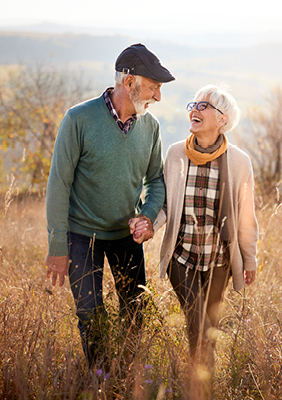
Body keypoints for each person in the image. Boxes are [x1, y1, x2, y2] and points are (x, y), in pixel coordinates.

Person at [45, 43, 175, 370]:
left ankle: (127, 375)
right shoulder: (79, 119)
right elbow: (59, 184)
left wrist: (147, 217)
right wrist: (58, 246)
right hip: (80, 237)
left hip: (125, 237)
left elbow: (155, 181)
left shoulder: (151, 127)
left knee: (135, 311)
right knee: (91, 315)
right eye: (154, 87)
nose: (158, 97)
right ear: (129, 82)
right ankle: (102, 380)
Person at [148, 84, 258, 395]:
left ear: (223, 120)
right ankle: (197, 388)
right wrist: (149, 225)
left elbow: (246, 216)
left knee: (209, 329)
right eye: (194, 104)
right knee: (196, 320)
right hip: (181, 257)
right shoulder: (175, 154)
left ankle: (202, 383)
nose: (195, 109)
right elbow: (167, 204)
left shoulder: (239, 161)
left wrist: (249, 259)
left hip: (219, 261)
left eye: (204, 106)